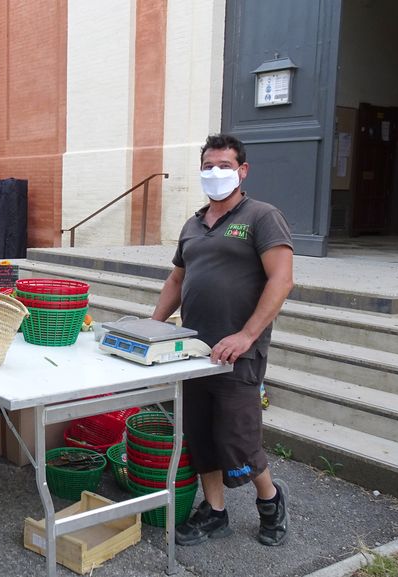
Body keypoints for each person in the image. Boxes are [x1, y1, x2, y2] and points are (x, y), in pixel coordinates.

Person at [151, 133, 294, 547]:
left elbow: (281, 279)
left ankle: (270, 501)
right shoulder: (192, 224)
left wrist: (247, 334)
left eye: (225, 166)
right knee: (199, 435)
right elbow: (177, 279)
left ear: (242, 170)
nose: (215, 173)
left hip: (239, 353)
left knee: (239, 438)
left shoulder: (262, 217)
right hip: (192, 350)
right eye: (208, 166)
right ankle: (215, 512)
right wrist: (153, 326)